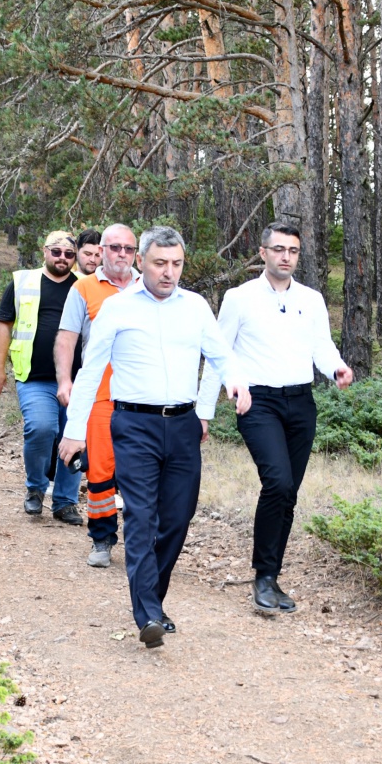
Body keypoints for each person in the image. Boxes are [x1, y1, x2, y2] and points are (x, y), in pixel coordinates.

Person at [59, 226, 250, 648]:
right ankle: (146, 612)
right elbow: (91, 371)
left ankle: (154, 598)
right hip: (134, 425)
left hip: (182, 426)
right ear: (141, 262)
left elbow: (221, 354)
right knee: (142, 518)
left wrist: (237, 382)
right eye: (160, 263)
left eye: (177, 264)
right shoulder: (118, 308)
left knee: (177, 518)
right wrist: (75, 430)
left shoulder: (196, 307)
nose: (169, 272)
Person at [198, 223, 352, 613]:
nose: (286, 256)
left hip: (301, 403)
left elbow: (321, 346)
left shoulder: (312, 299)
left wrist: (336, 369)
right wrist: (203, 411)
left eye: (293, 251)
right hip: (258, 402)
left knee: (288, 494)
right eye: (279, 249)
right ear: (262, 253)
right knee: (277, 482)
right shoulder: (239, 298)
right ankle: (263, 578)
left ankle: (271, 576)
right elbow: (220, 352)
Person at [55, 223, 138, 569]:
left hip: (141, 395)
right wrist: (64, 381)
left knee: (138, 471)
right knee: (101, 470)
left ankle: (140, 538)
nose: (121, 254)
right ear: (101, 250)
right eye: (114, 247)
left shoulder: (148, 285)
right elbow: (66, 338)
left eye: (128, 249)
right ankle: (102, 538)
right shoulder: (83, 288)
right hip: (100, 395)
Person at [0, 230, 83, 524]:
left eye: (69, 254)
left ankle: (66, 502)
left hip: (78, 379)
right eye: (56, 252)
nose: (62, 258)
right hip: (34, 376)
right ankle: (35, 488)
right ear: (45, 251)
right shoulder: (22, 282)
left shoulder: (84, 286)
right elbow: (4, 325)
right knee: (41, 428)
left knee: (74, 437)